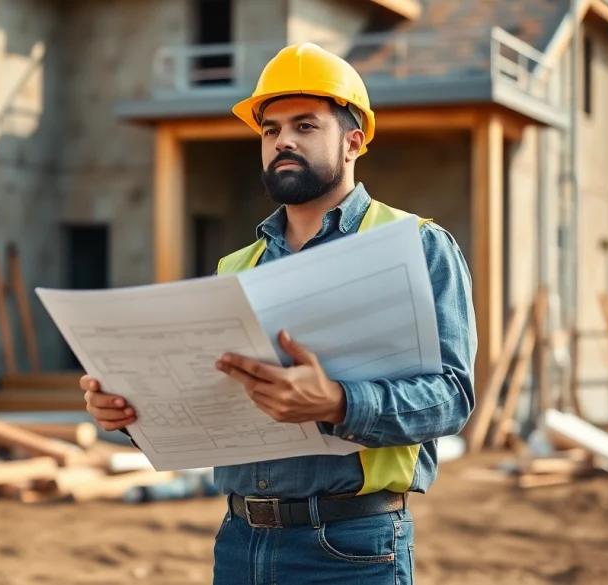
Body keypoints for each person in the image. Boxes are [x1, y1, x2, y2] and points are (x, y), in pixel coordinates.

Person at [80, 42, 476, 585]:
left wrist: (338, 402)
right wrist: (133, 413)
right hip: (239, 543)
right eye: (270, 130)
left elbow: (452, 397)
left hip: (351, 549)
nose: (282, 140)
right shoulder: (236, 267)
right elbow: (213, 406)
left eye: (305, 126)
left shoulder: (416, 245)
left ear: (353, 142)